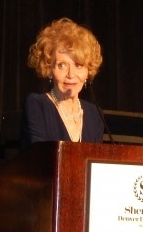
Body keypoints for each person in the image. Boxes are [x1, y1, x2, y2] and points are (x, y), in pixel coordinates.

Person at [20, 17, 104, 149]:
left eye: (78, 65)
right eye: (62, 65)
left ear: (88, 71)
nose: (71, 74)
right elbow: (40, 155)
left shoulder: (94, 113)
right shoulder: (37, 104)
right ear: (49, 68)